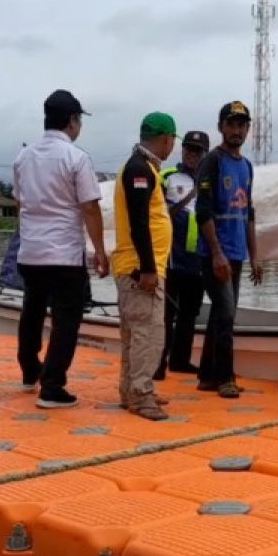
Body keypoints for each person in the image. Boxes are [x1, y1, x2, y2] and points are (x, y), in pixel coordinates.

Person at [13, 89, 108, 410]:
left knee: (33, 310)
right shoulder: (76, 158)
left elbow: (20, 203)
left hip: (30, 251)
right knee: (67, 318)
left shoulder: (23, 158)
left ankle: (29, 370)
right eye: (79, 119)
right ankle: (52, 386)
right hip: (64, 254)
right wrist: (100, 251)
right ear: (72, 121)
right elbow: (90, 208)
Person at [111, 112, 178, 421]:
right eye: (172, 142)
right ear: (167, 139)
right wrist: (149, 268)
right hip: (140, 269)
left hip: (134, 266)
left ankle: (131, 389)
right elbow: (140, 222)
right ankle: (140, 393)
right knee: (147, 335)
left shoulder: (140, 167)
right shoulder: (140, 170)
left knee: (135, 333)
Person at [194, 101, 264, 398]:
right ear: (221, 127)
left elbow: (248, 212)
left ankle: (207, 375)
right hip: (215, 253)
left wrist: (255, 255)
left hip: (237, 252)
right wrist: (217, 253)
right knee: (226, 313)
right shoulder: (212, 161)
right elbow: (203, 212)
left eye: (242, 125)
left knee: (222, 314)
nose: (237, 130)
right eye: (231, 124)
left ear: (248, 129)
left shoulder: (246, 166)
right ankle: (225, 377)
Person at [154, 129, 209, 380]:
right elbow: (157, 214)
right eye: (188, 148)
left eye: (197, 150)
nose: (191, 154)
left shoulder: (211, 181)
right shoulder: (166, 177)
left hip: (198, 259)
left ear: (205, 154)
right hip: (171, 258)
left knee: (190, 313)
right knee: (164, 314)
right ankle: (157, 363)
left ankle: (180, 360)